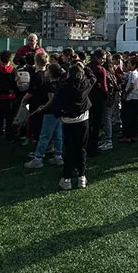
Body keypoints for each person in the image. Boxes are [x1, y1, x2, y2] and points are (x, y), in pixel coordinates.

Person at [39, 62, 95, 190]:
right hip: (83, 120)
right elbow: (93, 78)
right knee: (81, 149)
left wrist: (58, 113)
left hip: (69, 121)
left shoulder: (63, 87)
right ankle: (82, 177)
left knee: (69, 150)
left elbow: (56, 103)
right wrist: (84, 67)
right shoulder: (85, 84)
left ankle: (67, 178)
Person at [23, 63, 66, 169]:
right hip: (59, 112)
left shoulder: (49, 84)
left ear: (50, 73)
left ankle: (38, 159)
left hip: (50, 112)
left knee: (44, 136)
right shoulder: (61, 83)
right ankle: (58, 156)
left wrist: (43, 107)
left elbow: (51, 99)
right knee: (58, 135)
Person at [86, 50, 109, 157]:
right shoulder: (101, 69)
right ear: (97, 57)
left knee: (88, 122)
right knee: (96, 124)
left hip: (87, 97)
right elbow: (104, 87)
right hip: (98, 98)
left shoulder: (87, 67)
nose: (104, 61)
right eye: (103, 58)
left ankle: (86, 144)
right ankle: (93, 147)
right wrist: (107, 96)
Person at [0, 50, 18, 140]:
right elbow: (16, 85)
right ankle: (9, 135)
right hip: (10, 98)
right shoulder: (13, 71)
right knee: (10, 119)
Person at [119, 58, 138, 143]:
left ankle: (128, 136)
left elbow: (131, 86)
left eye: (129, 63)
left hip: (131, 97)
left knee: (128, 117)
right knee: (134, 117)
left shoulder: (133, 73)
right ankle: (133, 135)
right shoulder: (136, 73)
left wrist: (125, 94)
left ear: (133, 65)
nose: (127, 65)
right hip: (135, 97)